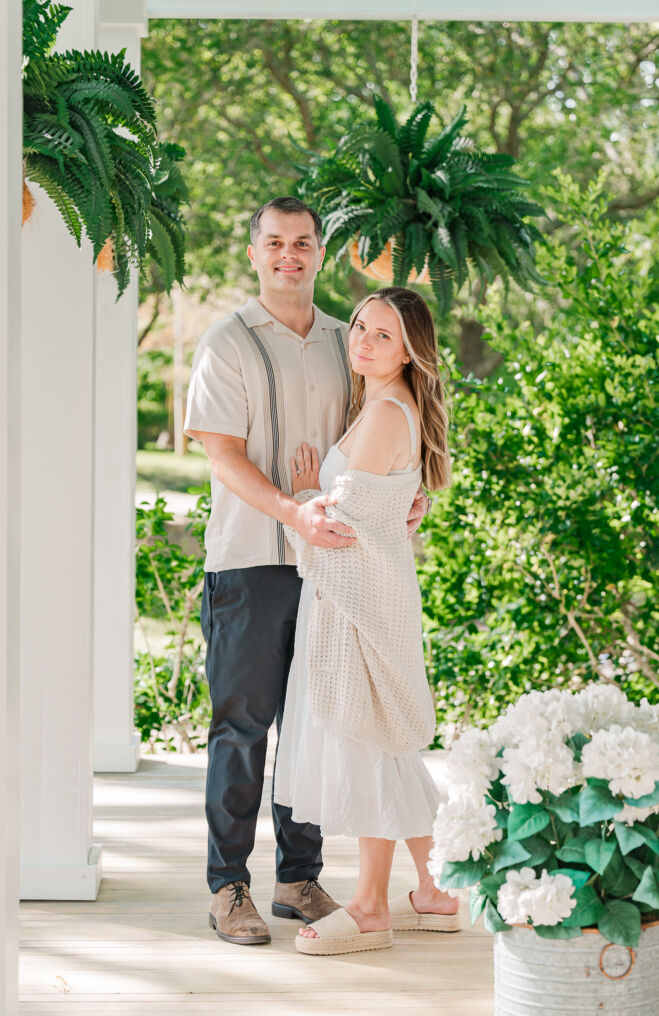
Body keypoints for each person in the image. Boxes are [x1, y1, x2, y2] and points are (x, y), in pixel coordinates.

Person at [183, 197, 429, 946]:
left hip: (333, 573)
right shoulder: (226, 343)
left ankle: (299, 877)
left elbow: (377, 429)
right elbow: (221, 454)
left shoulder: (345, 337)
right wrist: (293, 514)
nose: (289, 254)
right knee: (242, 729)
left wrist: (398, 493)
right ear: (253, 252)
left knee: (317, 726)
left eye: (303, 242)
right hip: (253, 561)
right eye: (275, 242)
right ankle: (229, 887)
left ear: (320, 253)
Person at [274, 286, 460, 956]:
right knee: (387, 740)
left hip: (360, 603)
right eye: (358, 326)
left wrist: (300, 500)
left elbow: (338, 535)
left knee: (367, 741)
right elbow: (372, 515)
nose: (362, 340)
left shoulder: (384, 412)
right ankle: (432, 892)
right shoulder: (384, 406)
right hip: (376, 597)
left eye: (382, 334)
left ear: (409, 349)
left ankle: (371, 906)